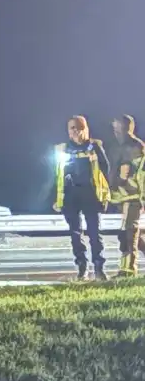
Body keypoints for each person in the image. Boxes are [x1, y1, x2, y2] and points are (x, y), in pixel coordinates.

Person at [53, 115, 111, 281]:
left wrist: (106, 195)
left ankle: (99, 268)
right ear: (68, 131)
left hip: (91, 194)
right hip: (70, 196)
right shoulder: (62, 149)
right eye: (72, 128)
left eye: (79, 127)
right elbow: (55, 175)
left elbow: (106, 171)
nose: (75, 131)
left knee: (94, 232)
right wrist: (55, 198)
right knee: (75, 233)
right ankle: (82, 267)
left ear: (86, 128)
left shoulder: (95, 146)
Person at [109, 115, 145, 275]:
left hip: (133, 197)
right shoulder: (117, 147)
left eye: (119, 129)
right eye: (114, 129)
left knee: (128, 233)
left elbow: (140, 177)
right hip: (120, 197)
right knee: (130, 232)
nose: (116, 132)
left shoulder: (135, 148)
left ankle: (128, 269)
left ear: (127, 128)